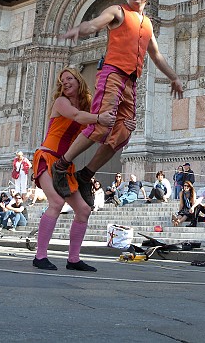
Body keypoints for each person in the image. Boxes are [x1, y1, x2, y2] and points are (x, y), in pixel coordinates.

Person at [50, 0, 184, 208]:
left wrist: (174, 77)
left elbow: (156, 55)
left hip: (131, 82)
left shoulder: (148, 25)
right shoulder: (118, 11)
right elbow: (96, 23)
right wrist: (81, 29)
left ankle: (85, 175)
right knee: (102, 124)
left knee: (123, 132)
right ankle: (61, 165)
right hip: (112, 74)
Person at [31, 67, 119, 271]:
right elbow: (78, 116)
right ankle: (40, 256)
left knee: (84, 209)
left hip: (65, 163)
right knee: (56, 202)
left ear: (79, 80)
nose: (66, 83)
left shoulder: (86, 104)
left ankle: (73, 259)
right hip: (46, 156)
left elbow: (97, 119)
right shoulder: (61, 102)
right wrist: (99, 118)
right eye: (62, 81)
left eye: (69, 78)